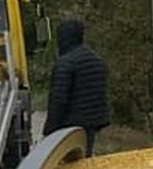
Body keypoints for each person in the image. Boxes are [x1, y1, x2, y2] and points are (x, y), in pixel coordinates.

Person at [43, 19, 110, 157]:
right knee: (86, 157)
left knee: (69, 165)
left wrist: (49, 131)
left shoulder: (65, 63)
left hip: (70, 127)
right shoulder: (96, 60)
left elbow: (58, 100)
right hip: (92, 124)